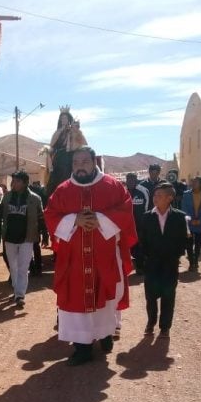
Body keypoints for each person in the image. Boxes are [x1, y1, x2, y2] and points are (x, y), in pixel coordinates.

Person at [44, 146, 137, 366]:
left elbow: (125, 210)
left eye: (85, 162)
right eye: (76, 163)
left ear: (94, 161)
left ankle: (105, 334)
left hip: (103, 257)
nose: (80, 167)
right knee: (75, 301)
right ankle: (82, 347)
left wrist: (100, 219)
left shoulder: (112, 186)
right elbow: (50, 215)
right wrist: (74, 220)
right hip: (74, 260)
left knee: (104, 297)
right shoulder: (63, 190)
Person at [138, 183, 189, 337]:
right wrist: (146, 257)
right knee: (151, 296)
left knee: (168, 295)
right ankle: (151, 322)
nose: (155, 198)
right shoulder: (147, 217)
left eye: (159, 195)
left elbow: (184, 239)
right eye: (154, 195)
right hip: (152, 264)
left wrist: (175, 255)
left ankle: (165, 327)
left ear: (170, 198)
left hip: (170, 264)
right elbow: (142, 240)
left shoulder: (180, 217)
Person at [1, 170, 45, 308]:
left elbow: (41, 218)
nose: (14, 183)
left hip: (27, 237)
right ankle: (16, 288)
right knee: (13, 266)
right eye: (13, 181)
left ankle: (20, 295)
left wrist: (45, 235)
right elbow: (0, 213)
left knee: (23, 267)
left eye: (18, 181)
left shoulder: (35, 199)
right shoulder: (7, 197)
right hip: (9, 237)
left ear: (25, 183)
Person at [46, 107, 88, 197]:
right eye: (62, 118)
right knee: (56, 182)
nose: (63, 120)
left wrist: (76, 132)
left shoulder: (73, 131)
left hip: (71, 158)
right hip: (59, 159)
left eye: (65, 118)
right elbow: (51, 146)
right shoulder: (57, 132)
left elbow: (84, 143)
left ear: (69, 119)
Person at [181, 176, 201, 271]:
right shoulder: (186, 194)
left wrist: (200, 220)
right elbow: (184, 208)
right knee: (189, 244)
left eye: (196, 182)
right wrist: (191, 220)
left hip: (200, 223)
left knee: (198, 243)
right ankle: (191, 262)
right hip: (189, 223)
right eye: (193, 182)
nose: (193, 183)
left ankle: (196, 261)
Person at [124, 172, 150, 275]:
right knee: (128, 246)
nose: (130, 182)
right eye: (128, 180)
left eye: (132, 180)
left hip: (140, 225)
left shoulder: (143, 191)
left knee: (140, 246)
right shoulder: (123, 191)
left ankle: (140, 267)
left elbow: (148, 206)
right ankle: (129, 266)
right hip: (126, 225)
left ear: (136, 180)